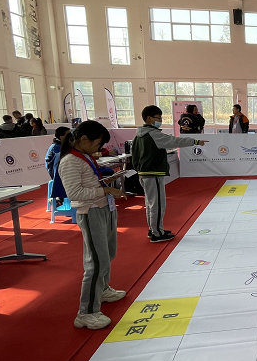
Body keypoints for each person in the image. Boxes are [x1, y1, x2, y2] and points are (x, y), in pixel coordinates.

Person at [58, 121, 127, 330]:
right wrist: (104, 190)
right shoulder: (70, 161)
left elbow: (90, 182)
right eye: (98, 143)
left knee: (108, 254)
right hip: (91, 212)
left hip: (104, 208)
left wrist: (106, 185)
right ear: (84, 139)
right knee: (96, 262)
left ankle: (102, 289)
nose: (99, 148)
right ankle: (86, 312)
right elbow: (74, 194)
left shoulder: (85, 156)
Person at [133, 105, 208, 243]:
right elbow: (174, 141)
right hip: (153, 173)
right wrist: (195, 141)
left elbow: (134, 156)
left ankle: (154, 229)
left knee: (150, 203)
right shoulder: (153, 134)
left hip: (144, 173)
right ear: (149, 119)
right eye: (158, 118)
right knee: (157, 204)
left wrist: (139, 169)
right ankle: (157, 233)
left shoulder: (139, 135)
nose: (160, 120)